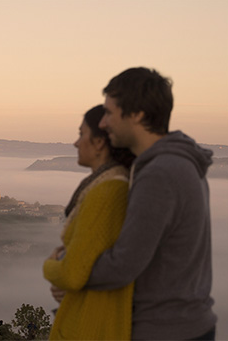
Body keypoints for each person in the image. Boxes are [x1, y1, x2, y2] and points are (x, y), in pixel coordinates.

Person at [85, 67, 217, 340]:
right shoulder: (181, 162)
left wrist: (66, 271)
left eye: (110, 113)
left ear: (137, 115)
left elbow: (123, 265)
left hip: (165, 330)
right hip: (189, 324)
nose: (103, 123)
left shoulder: (160, 173)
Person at [43, 104, 136, 340]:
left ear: (99, 143)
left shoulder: (107, 191)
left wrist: (51, 264)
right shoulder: (110, 185)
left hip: (88, 326)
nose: (76, 143)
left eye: (81, 134)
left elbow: (72, 274)